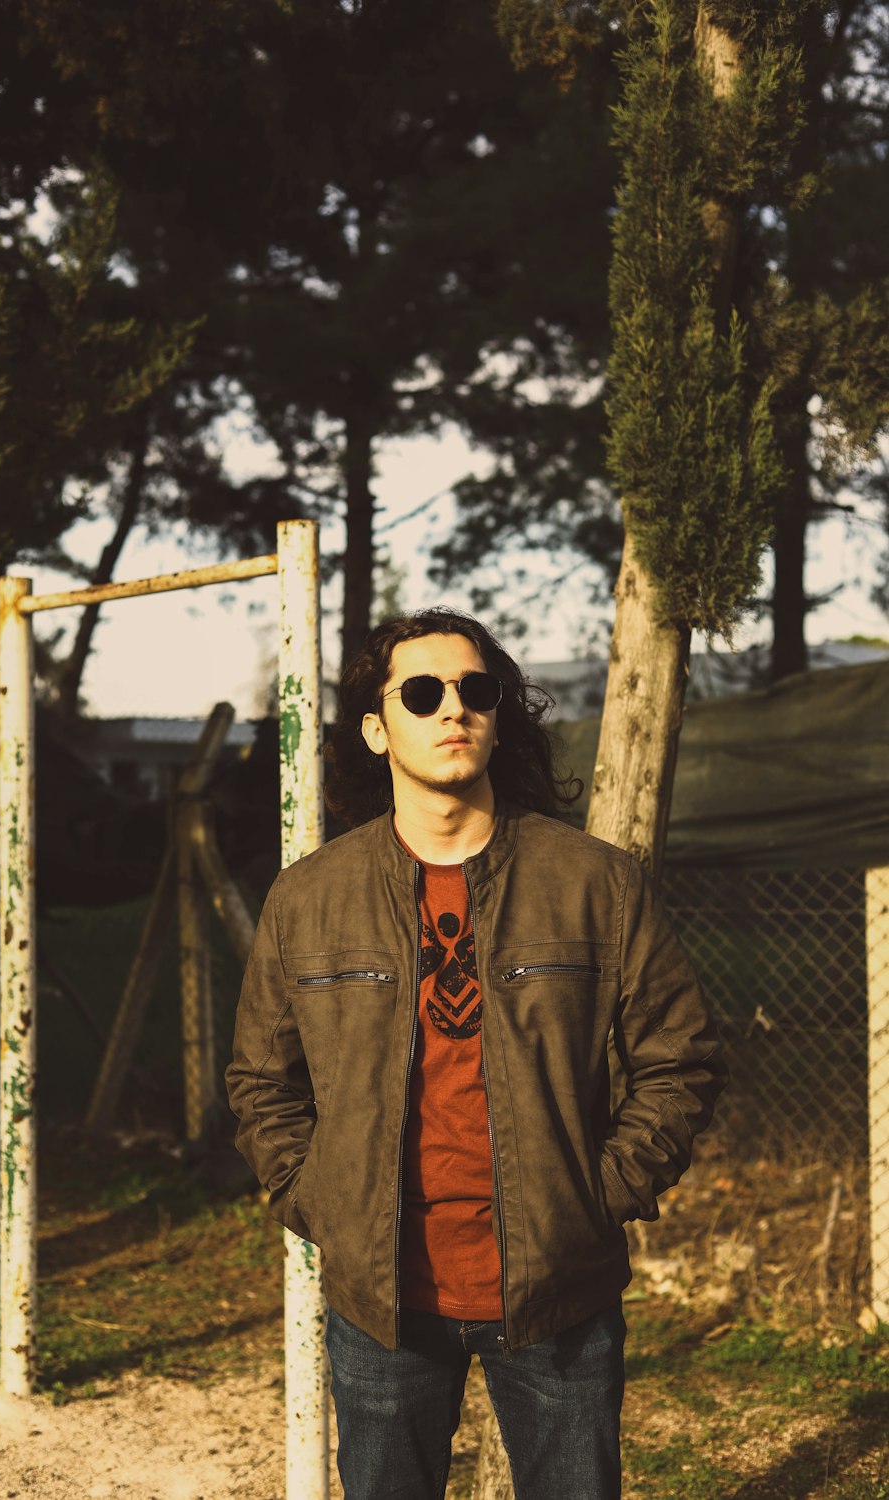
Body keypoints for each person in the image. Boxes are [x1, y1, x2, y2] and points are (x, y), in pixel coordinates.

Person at [226, 608, 727, 1500]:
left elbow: (680, 1061)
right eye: (422, 693)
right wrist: (319, 1201)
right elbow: (262, 1082)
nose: (452, 708)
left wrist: (598, 1198)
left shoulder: (595, 885)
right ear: (378, 730)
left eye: (475, 690)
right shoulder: (308, 901)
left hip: (557, 1290)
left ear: (499, 715)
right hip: (384, 1301)